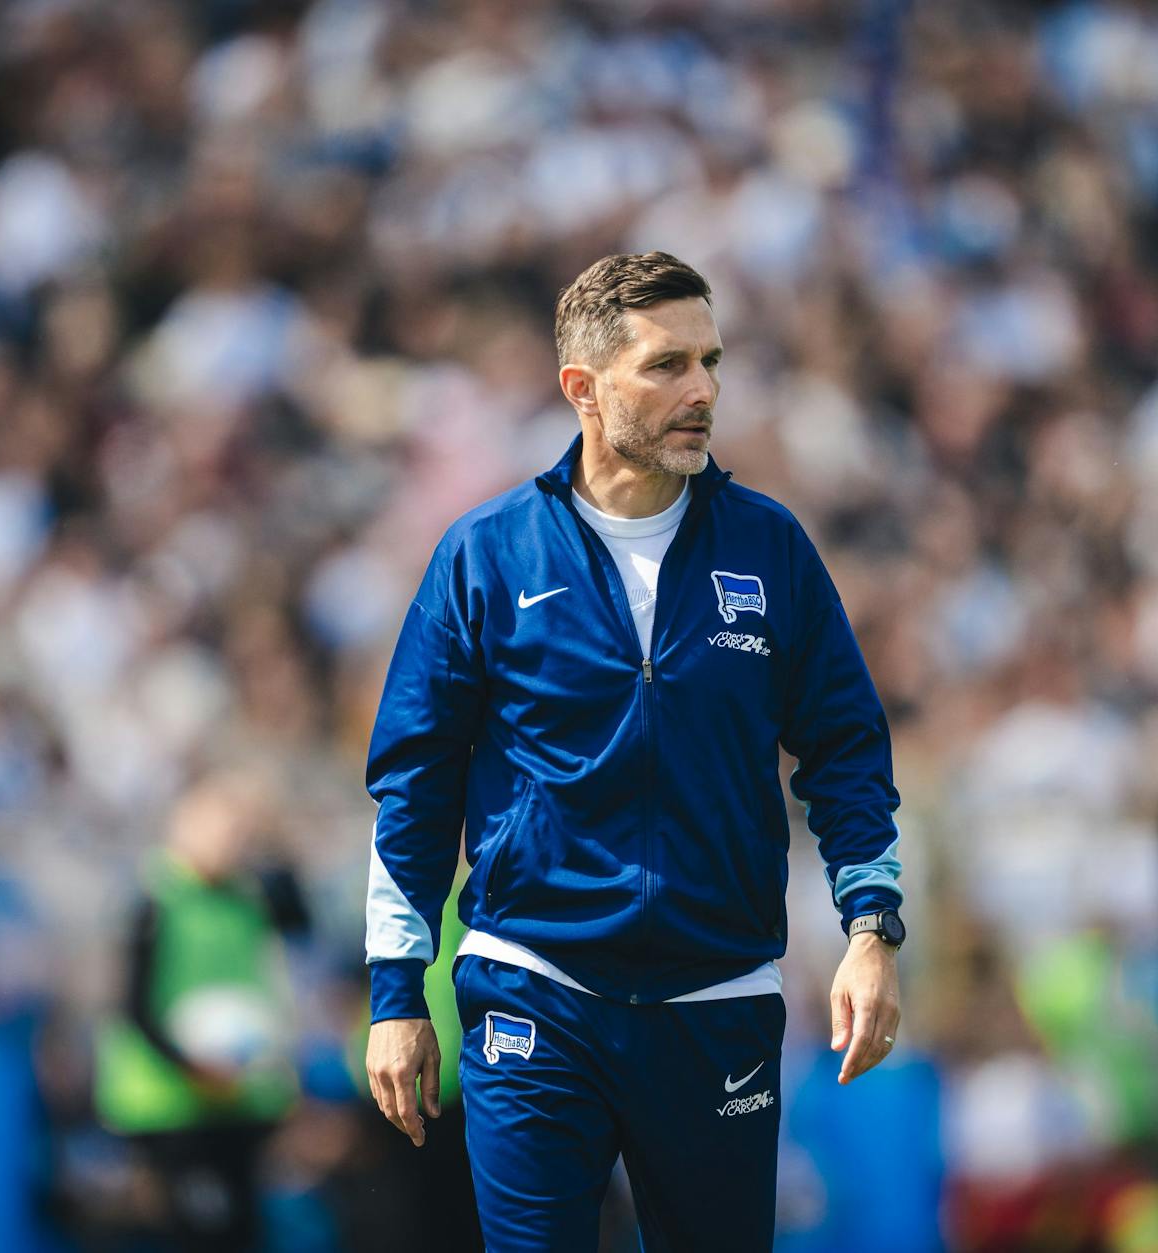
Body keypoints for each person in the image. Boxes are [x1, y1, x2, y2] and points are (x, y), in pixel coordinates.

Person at [362, 251, 906, 1251]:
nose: (700, 390)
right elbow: (413, 787)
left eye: (708, 361)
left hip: (717, 1000)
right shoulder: (484, 554)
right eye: (664, 365)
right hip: (533, 989)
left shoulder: (770, 547)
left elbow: (845, 749)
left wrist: (870, 927)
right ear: (582, 387)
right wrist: (397, 994)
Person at [94, 770, 310, 1252]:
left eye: (240, 830)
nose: (231, 841)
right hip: (170, 1105)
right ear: (182, 826)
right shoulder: (152, 900)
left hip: (240, 1099)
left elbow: (296, 941)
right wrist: (193, 1065)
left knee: (243, 1234)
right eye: (219, 827)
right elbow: (133, 1005)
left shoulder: (249, 898)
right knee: (194, 1233)